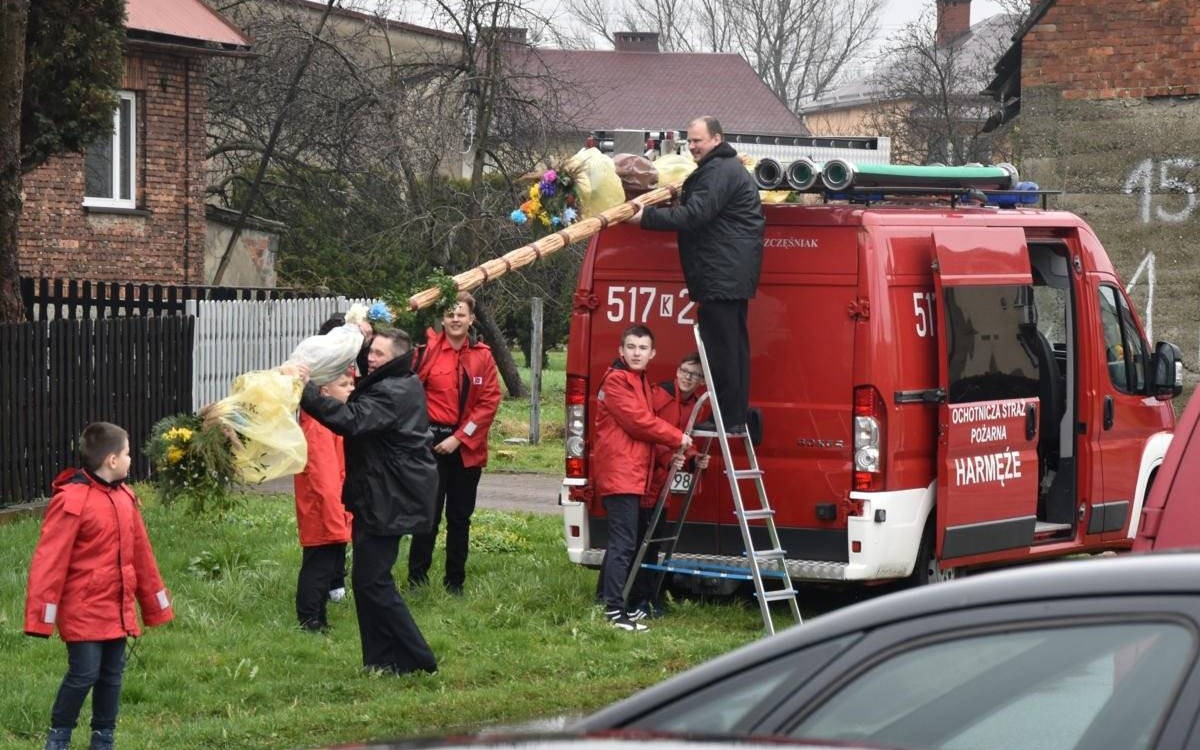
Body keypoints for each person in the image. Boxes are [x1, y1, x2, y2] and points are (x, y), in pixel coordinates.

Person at [25, 422, 174, 750]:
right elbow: (49, 564)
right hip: (83, 610)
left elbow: (142, 557)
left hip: (117, 609)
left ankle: (103, 739)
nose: (131, 459)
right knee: (84, 675)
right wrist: (41, 616)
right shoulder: (72, 501)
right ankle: (58, 738)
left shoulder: (126, 498)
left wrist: (155, 604)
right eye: (128, 453)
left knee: (112, 677)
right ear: (111, 460)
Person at [299, 328, 439, 675]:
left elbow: (352, 420)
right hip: (377, 494)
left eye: (378, 354)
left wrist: (305, 392)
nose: (370, 358)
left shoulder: (393, 391)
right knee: (366, 581)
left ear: (396, 358)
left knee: (374, 581)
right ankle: (381, 660)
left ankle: (418, 661)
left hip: (389, 497)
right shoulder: (393, 383)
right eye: (370, 351)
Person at [628, 115, 764, 434]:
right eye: (689, 141)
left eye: (698, 141)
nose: (692, 147)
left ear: (717, 138)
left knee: (721, 350)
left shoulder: (719, 171)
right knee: (731, 346)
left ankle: (728, 418)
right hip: (729, 273)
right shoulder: (724, 169)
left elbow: (695, 215)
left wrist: (645, 217)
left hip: (721, 274)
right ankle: (734, 416)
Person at [593, 325, 691, 631]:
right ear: (621, 351)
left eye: (642, 348)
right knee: (623, 544)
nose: (636, 352)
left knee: (632, 543)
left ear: (652, 354)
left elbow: (647, 435)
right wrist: (678, 438)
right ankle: (612, 611)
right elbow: (639, 423)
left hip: (635, 474)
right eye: (631, 347)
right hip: (621, 474)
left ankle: (627, 603)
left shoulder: (640, 381)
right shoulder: (617, 381)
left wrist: (669, 454)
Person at [408, 292, 502, 595]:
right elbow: (410, 391)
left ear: (471, 319)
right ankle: (416, 580)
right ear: (443, 319)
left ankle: (455, 582)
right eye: (450, 314)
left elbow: (488, 403)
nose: (455, 319)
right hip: (430, 444)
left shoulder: (483, 356)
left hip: (466, 448)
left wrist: (459, 438)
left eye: (461, 314)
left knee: (459, 518)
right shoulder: (426, 352)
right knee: (427, 516)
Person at [628, 353, 711, 618]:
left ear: (701, 381)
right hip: (644, 477)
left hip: (662, 483)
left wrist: (695, 459)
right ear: (677, 371)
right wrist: (673, 455)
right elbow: (650, 434)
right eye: (686, 371)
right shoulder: (659, 396)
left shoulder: (696, 405)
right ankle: (630, 598)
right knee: (635, 543)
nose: (689, 377)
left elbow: (686, 441)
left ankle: (648, 596)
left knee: (652, 544)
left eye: (695, 375)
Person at [294, 368, 355, 632]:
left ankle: (318, 617)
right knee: (318, 565)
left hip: (327, 506)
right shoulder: (319, 426)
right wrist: (336, 515)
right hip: (323, 508)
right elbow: (325, 477)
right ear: (324, 392)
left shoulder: (325, 421)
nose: (351, 388)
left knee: (323, 563)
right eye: (344, 384)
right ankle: (310, 620)